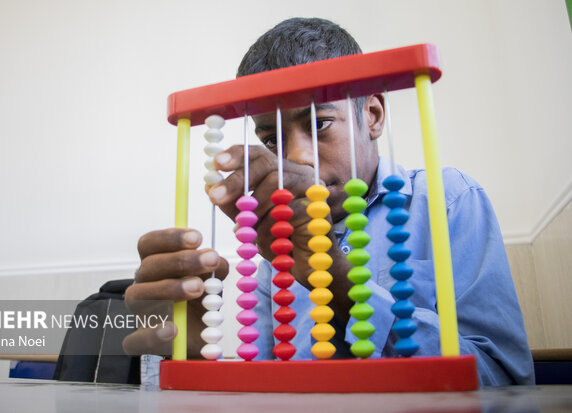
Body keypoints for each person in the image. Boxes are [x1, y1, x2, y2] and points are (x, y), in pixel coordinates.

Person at [124, 17, 535, 386]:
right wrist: (193, 357)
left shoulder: (449, 202)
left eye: (319, 124)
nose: (297, 157)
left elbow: (505, 379)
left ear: (372, 115)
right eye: (272, 139)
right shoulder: (274, 248)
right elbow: (272, 392)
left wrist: (339, 282)